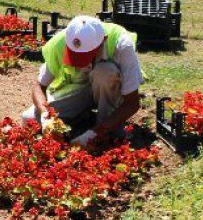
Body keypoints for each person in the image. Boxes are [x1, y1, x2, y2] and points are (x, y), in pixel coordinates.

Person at [21, 16, 144, 147]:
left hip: (109, 92)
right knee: (29, 119)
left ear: (103, 41)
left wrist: (95, 134)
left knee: (104, 71)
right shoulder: (60, 43)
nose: (80, 64)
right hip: (79, 90)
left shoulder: (122, 44)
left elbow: (132, 103)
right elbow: (39, 86)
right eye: (74, 56)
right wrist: (45, 114)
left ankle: (105, 124)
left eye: (86, 57)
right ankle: (83, 114)